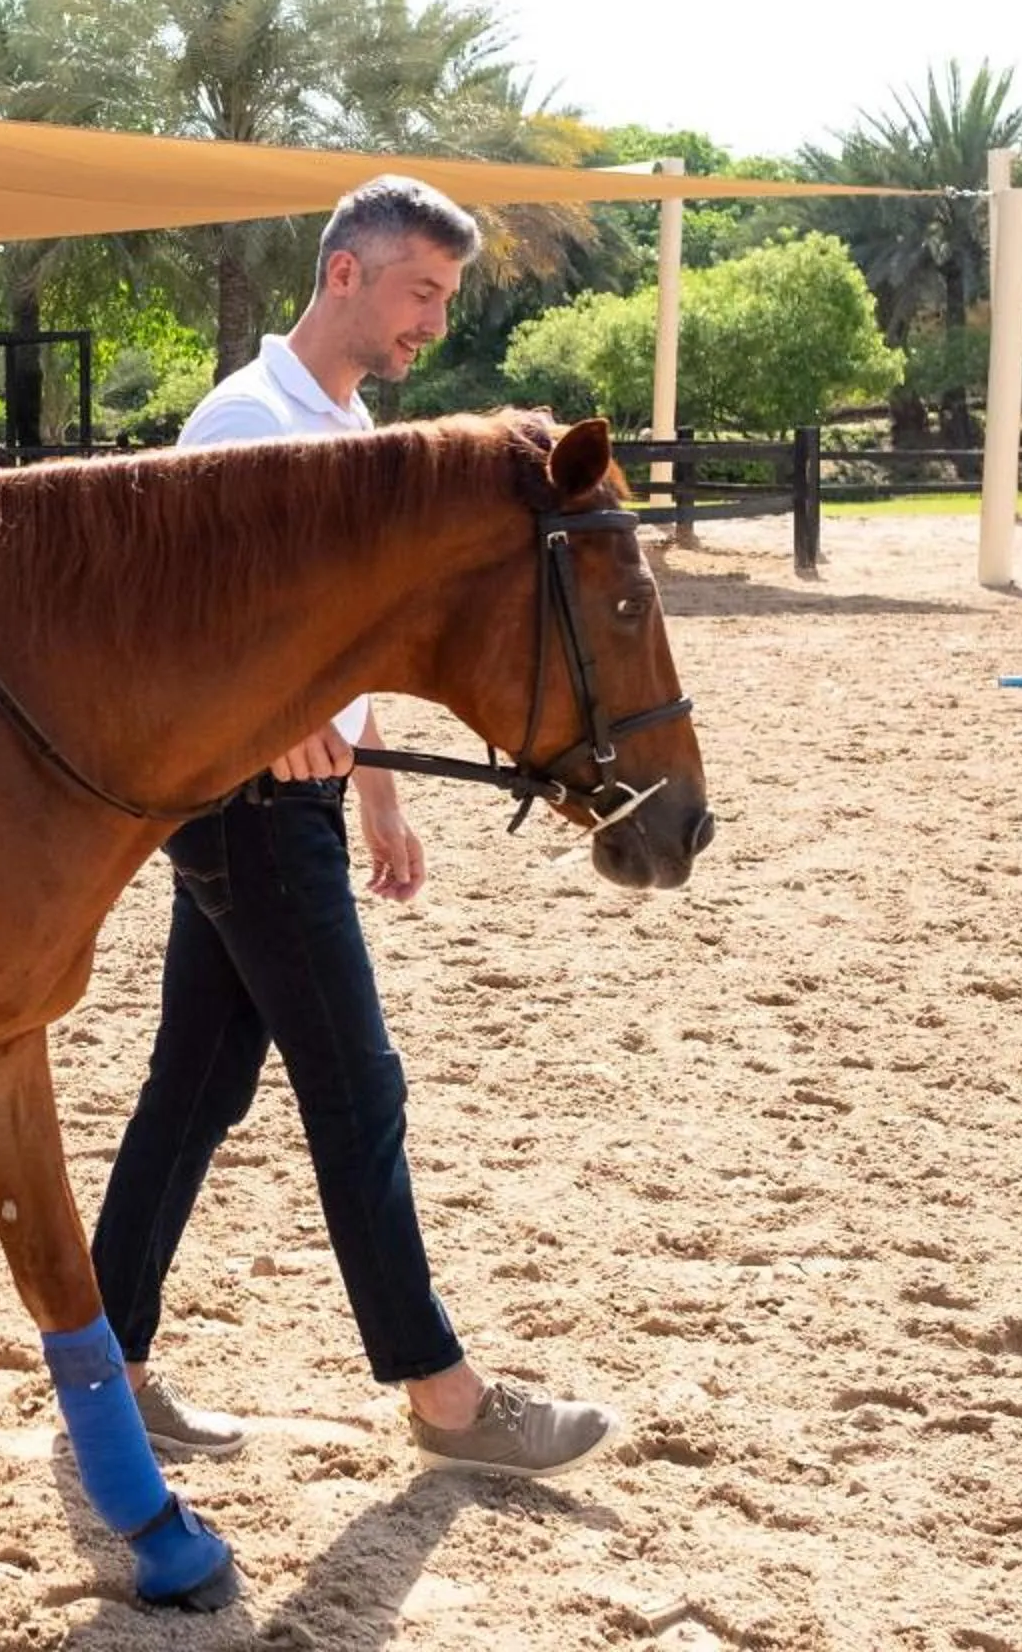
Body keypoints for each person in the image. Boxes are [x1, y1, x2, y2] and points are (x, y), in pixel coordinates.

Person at [88, 176, 623, 1479]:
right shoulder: (244, 421)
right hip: (241, 806)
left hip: (301, 806)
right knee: (357, 1084)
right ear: (345, 274)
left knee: (201, 1086)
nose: (432, 321)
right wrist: (271, 721)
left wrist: (373, 787)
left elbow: (340, 644)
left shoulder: (345, 418)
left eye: (443, 298)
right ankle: (445, 1397)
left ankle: (102, 1367)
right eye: (419, 292)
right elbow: (179, 627)